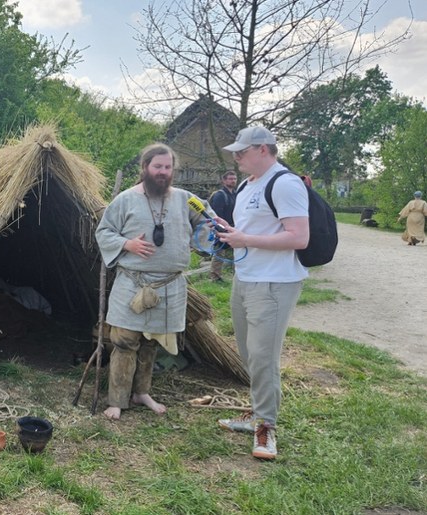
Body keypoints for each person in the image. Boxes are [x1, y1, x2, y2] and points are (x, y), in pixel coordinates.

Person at [212, 127, 309, 460]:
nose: (236, 156)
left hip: (274, 283)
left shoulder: (285, 183)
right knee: (250, 353)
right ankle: (255, 414)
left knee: (264, 356)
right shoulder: (246, 184)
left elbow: (299, 237)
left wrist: (246, 240)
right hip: (246, 278)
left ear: (265, 150)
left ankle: (266, 427)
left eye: (242, 151)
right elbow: (252, 230)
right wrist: (231, 232)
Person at [95, 143, 211, 418]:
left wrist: (208, 236)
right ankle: (117, 400)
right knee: (124, 340)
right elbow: (104, 232)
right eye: (157, 166)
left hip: (169, 285)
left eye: (167, 167)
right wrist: (128, 244)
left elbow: (209, 220)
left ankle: (141, 393)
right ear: (145, 167)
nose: (162, 172)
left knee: (151, 343)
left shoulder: (186, 199)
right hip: (133, 282)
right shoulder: (125, 199)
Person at [207, 171, 238, 282]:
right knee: (219, 252)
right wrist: (220, 228)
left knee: (238, 252)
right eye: (230, 179)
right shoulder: (220, 195)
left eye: (234, 178)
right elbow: (216, 214)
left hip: (234, 227)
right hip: (221, 228)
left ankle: (237, 275)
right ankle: (215, 276)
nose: (233, 181)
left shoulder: (236, 195)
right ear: (224, 181)